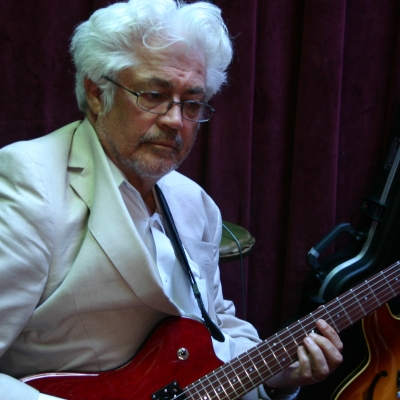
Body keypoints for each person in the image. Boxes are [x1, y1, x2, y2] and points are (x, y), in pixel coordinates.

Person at [0, 0, 343, 399]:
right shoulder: (28, 183)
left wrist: (274, 378)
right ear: (97, 93)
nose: (175, 120)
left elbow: (214, 329)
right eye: (153, 94)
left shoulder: (193, 203)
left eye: (192, 103)